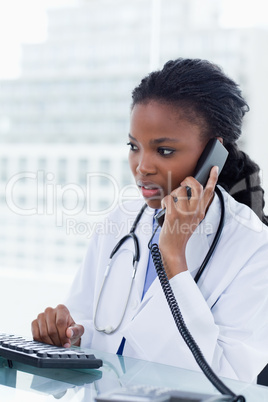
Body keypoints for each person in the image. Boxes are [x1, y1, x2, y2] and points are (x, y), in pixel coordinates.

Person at [32, 58, 268, 383]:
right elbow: (87, 324)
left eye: (165, 151)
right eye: (134, 146)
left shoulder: (255, 247)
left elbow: (224, 379)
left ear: (215, 154)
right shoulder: (123, 220)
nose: (142, 166)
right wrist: (66, 333)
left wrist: (173, 256)